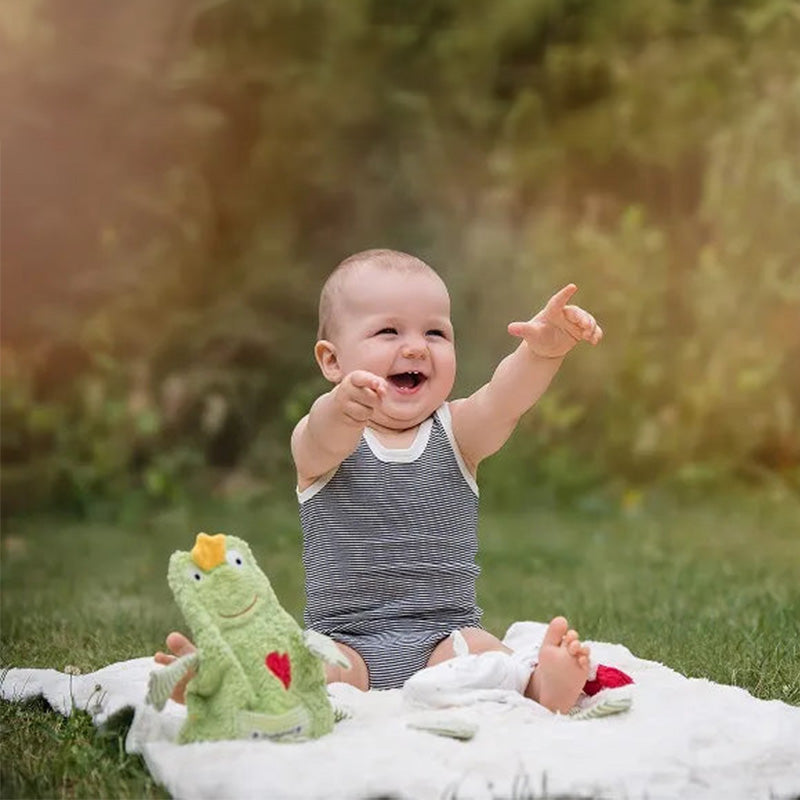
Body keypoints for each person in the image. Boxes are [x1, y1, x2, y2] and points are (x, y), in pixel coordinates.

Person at [157, 248, 603, 714]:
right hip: (347, 642)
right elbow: (323, 436)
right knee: (303, 664)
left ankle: (539, 686)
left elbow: (503, 400)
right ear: (332, 361)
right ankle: (224, 682)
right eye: (389, 331)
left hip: (444, 637)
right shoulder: (321, 441)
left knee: (486, 654)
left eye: (435, 332)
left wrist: (541, 352)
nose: (415, 347)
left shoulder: (458, 434)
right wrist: (340, 405)